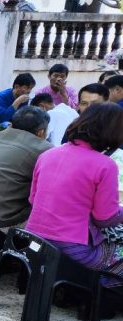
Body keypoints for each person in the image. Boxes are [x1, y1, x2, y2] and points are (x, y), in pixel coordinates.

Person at [26, 103, 123, 285]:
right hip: (72, 248)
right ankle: (92, 293)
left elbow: (33, 199)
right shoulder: (105, 165)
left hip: (33, 239)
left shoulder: (48, 154)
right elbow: (105, 218)